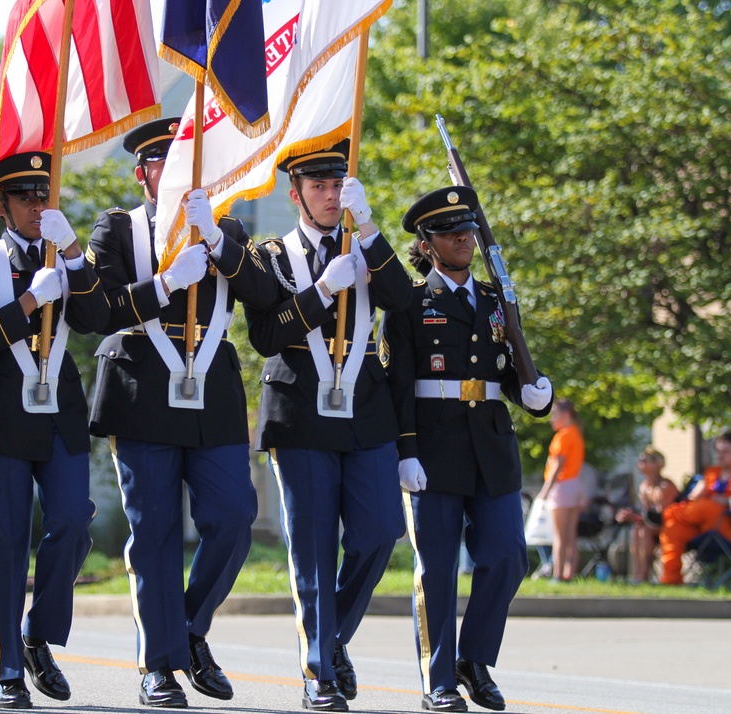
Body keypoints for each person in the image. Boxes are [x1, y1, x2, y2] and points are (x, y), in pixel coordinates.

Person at [86, 118, 277, 708]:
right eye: (160, 165)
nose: (171, 175)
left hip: (210, 396)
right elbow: (94, 309)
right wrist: (165, 284)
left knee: (234, 516)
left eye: (184, 164)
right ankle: (158, 665)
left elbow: (267, 300)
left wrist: (218, 244)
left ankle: (189, 631)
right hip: (142, 392)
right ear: (141, 173)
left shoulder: (228, 228)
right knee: (155, 533)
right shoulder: (117, 230)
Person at [244, 141, 412, 712]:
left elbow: (406, 304)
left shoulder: (363, 244)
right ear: (296, 194)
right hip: (300, 412)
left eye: (338, 184)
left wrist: (367, 228)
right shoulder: (273, 253)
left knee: (380, 531)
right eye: (318, 185)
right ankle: (320, 669)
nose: (330, 194)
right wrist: (320, 291)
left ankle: (331, 636)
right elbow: (266, 337)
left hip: (364, 409)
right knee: (313, 547)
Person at [381, 186, 553, 713]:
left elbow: (510, 369)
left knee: (506, 557)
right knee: (436, 569)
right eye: (451, 233)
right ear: (427, 244)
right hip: (433, 448)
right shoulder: (410, 302)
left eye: (469, 230)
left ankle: (473, 660)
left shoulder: (495, 298)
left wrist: (534, 391)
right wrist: (404, 451)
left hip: (491, 446)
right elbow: (398, 384)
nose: (464, 239)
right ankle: (439, 680)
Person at [0, 151, 110, 708]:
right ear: (1, 206)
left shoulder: (66, 255)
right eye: (24, 197)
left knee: (71, 521)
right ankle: (7, 668)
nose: (37, 205)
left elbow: (96, 320)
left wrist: (72, 254)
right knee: (5, 544)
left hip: (59, 416)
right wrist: (27, 302)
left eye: (43, 194)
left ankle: (38, 634)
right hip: (2, 420)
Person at [658, 431, 731, 585]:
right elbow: (692, 499)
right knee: (673, 528)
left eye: (725, 451)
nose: (720, 455)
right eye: (718, 451)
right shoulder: (712, 473)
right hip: (702, 527)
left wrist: (728, 501)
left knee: (707, 506)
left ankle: (669, 513)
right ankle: (671, 579)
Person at [537, 398, 586, 582]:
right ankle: (569, 572)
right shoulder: (576, 433)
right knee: (570, 534)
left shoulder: (564, 435)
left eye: (555, 414)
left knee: (559, 535)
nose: (552, 419)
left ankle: (558, 574)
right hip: (574, 485)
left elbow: (558, 464)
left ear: (565, 415)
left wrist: (545, 490)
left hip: (562, 486)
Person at [614, 446, 679, 583]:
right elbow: (645, 514)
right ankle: (637, 574)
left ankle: (643, 575)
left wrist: (636, 517)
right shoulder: (644, 486)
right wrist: (631, 516)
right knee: (638, 529)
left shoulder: (665, 486)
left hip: (671, 527)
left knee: (644, 531)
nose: (640, 463)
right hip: (652, 526)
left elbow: (662, 517)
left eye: (645, 460)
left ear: (657, 464)